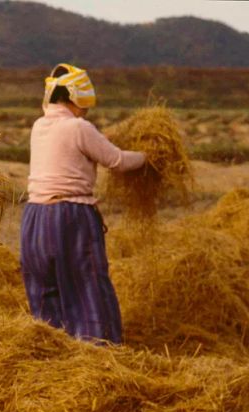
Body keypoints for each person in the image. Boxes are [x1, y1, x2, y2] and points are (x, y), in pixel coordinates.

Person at [20, 63, 146, 344]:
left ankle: (49, 350)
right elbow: (118, 161)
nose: (87, 111)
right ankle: (99, 352)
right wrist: (148, 157)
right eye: (85, 105)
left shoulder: (39, 126)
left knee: (45, 288)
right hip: (70, 216)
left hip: (35, 217)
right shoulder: (78, 127)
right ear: (75, 98)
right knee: (86, 283)